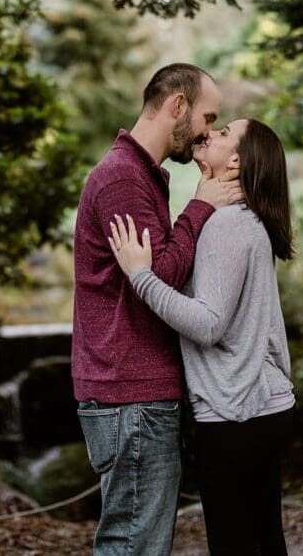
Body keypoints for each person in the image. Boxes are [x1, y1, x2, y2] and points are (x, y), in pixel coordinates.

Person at [72, 63, 243, 555]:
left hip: (134, 396)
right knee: (134, 547)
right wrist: (202, 204)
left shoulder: (138, 174)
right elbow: (160, 277)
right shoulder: (122, 180)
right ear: (177, 105)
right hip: (133, 398)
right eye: (208, 117)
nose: (209, 131)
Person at [108, 118, 296, 555]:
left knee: (236, 544)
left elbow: (208, 324)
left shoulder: (229, 224)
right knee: (265, 540)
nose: (209, 133)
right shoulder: (244, 220)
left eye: (224, 132)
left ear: (235, 161)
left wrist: (141, 276)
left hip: (236, 414)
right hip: (261, 407)